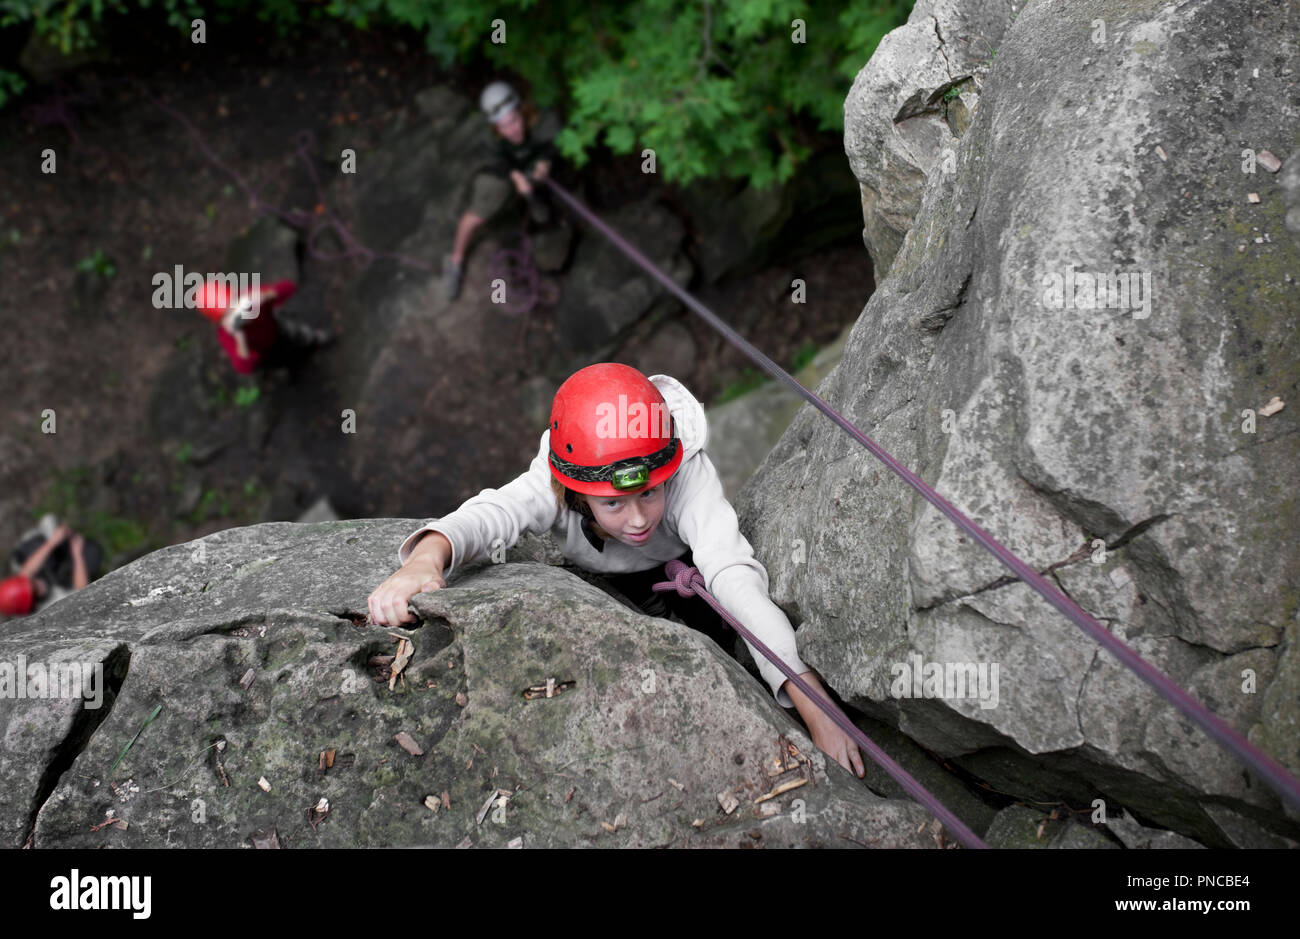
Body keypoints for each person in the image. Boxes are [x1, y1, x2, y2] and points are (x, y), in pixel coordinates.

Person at [368, 363, 867, 777]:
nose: (637, 519)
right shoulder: (554, 483)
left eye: (649, 492)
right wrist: (425, 558)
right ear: (578, 493)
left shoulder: (685, 471)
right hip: (613, 580)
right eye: (613, 504)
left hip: (687, 570)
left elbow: (730, 571)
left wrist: (810, 699)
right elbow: (495, 512)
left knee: (719, 634)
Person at [444, 81, 563, 301]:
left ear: (521, 111)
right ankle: (455, 261)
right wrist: (516, 176)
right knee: (479, 214)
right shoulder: (491, 139)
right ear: (496, 127)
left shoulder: (542, 121)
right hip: (503, 172)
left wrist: (545, 162)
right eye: (504, 126)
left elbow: (554, 142)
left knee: (547, 194)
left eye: (515, 121)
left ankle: (537, 203)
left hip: (532, 165)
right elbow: (496, 161)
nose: (513, 130)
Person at [197, 278, 332, 375]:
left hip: (278, 328)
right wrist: (239, 336)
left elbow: (290, 287)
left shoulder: (250, 297)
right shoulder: (227, 335)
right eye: (229, 314)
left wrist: (265, 295)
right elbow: (244, 367)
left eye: (235, 303)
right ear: (221, 322)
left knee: (298, 333)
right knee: (281, 360)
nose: (240, 313)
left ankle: (314, 339)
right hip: (265, 352)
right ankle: (293, 364)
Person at [1, 514, 101, 618]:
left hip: (52, 570)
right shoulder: (48, 608)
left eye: (32, 582)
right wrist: (77, 554)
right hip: (62, 584)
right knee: (91, 554)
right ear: (31, 605)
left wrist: (53, 542)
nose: (39, 584)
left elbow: (26, 572)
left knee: (41, 535)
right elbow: (81, 591)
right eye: (35, 592)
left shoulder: (21, 572)